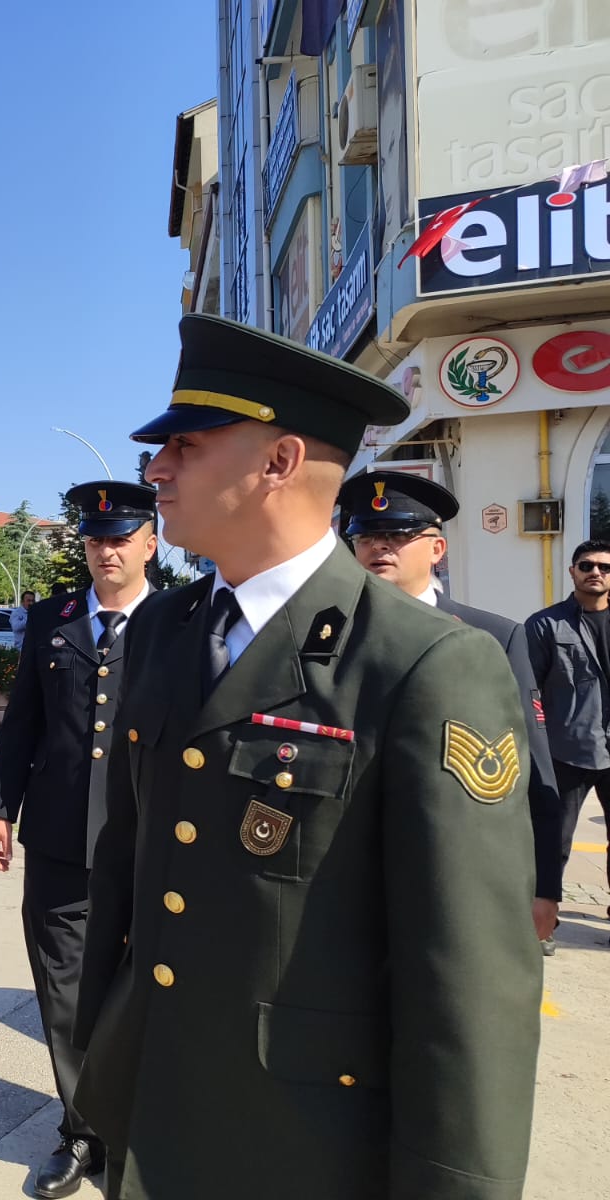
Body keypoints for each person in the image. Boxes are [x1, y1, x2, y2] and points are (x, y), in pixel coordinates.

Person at [74, 315, 541, 1200]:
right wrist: (103, 1062)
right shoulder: (169, 631)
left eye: (185, 445)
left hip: (305, 1143)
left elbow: (470, 982)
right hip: (157, 1104)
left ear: (280, 462)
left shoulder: (422, 663)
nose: (156, 469)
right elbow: (127, 877)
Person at [0, 480, 156, 1198]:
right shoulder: (52, 617)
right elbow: (22, 721)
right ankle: (83, 1134)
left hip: (147, 840)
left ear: (151, 542)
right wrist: (0, 810)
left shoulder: (181, 620)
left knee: (141, 990)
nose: (105, 551)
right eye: (93, 540)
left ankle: (140, 1129)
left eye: (119, 539)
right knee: (63, 994)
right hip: (57, 838)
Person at [340, 470, 563, 953]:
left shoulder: (493, 637)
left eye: (398, 535)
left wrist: (544, 885)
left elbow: (532, 767)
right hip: (342, 877)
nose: (380, 547)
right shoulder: (325, 637)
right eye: (366, 536)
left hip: (453, 873)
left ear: (437, 550)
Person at [526, 538, 610, 916]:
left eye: (604, 567)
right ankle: (546, 917)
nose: (596, 572)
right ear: (572, 571)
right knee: (553, 839)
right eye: (587, 565)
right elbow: (527, 689)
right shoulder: (546, 625)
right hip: (565, 751)